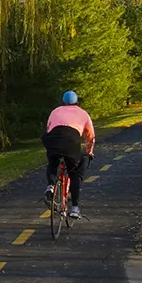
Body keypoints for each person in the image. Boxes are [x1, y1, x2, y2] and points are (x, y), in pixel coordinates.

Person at [41, 90, 95, 219]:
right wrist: (89, 152)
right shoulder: (83, 113)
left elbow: (49, 128)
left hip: (52, 138)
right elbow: (90, 136)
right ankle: (75, 208)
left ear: (63, 102)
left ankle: (51, 185)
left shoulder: (55, 111)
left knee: (53, 161)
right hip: (71, 140)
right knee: (75, 172)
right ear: (77, 102)